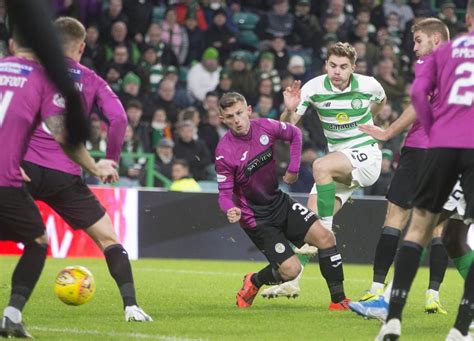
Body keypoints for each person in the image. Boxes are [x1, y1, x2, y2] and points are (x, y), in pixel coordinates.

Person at [21, 17, 152, 323]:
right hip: (65, 175)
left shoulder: (29, 71)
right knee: (109, 240)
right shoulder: (92, 79)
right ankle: (131, 306)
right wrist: (111, 160)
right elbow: (119, 119)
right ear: (81, 46)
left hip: (22, 168)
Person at [0, 27, 118, 338]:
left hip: (11, 174)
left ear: (11, 44)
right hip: (5, 179)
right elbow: (64, 136)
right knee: (37, 241)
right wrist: (94, 165)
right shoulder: (42, 80)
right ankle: (11, 316)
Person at [349, 18, 460, 316]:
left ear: (436, 39)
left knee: (400, 220)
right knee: (441, 228)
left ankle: (380, 294)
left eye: (419, 40)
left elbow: (416, 104)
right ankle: (430, 294)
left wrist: (387, 132)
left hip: (422, 149)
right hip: (449, 152)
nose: (414, 47)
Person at [377, 3, 474, 339]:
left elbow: (418, 93)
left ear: (467, 20)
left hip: (442, 146)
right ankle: (461, 330)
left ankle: (392, 320)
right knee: (458, 235)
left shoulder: (447, 51)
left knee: (420, 227)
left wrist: (436, 129)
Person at [263, 42, 386, 299]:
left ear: (353, 67)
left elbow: (380, 100)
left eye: (343, 67)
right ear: (325, 65)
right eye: (332, 65)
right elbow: (287, 129)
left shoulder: (369, 85)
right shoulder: (313, 88)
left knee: (319, 164)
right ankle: (292, 282)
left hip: (366, 157)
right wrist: (288, 108)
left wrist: (367, 121)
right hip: (338, 164)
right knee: (311, 223)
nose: (337, 71)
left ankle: (328, 229)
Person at [215, 92, 350, 310]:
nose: (236, 120)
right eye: (229, 117)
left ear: (248, 110)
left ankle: (338, 301)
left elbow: (295, 133)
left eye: (239, 113)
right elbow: (223, 193)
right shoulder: (224, 152)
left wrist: (293, 169)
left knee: (326, 238)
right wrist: (230, 208)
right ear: (222, 119)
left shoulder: (266, 126)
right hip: (256, 218)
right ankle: (254, 281)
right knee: (290, 271)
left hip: (280, 203)